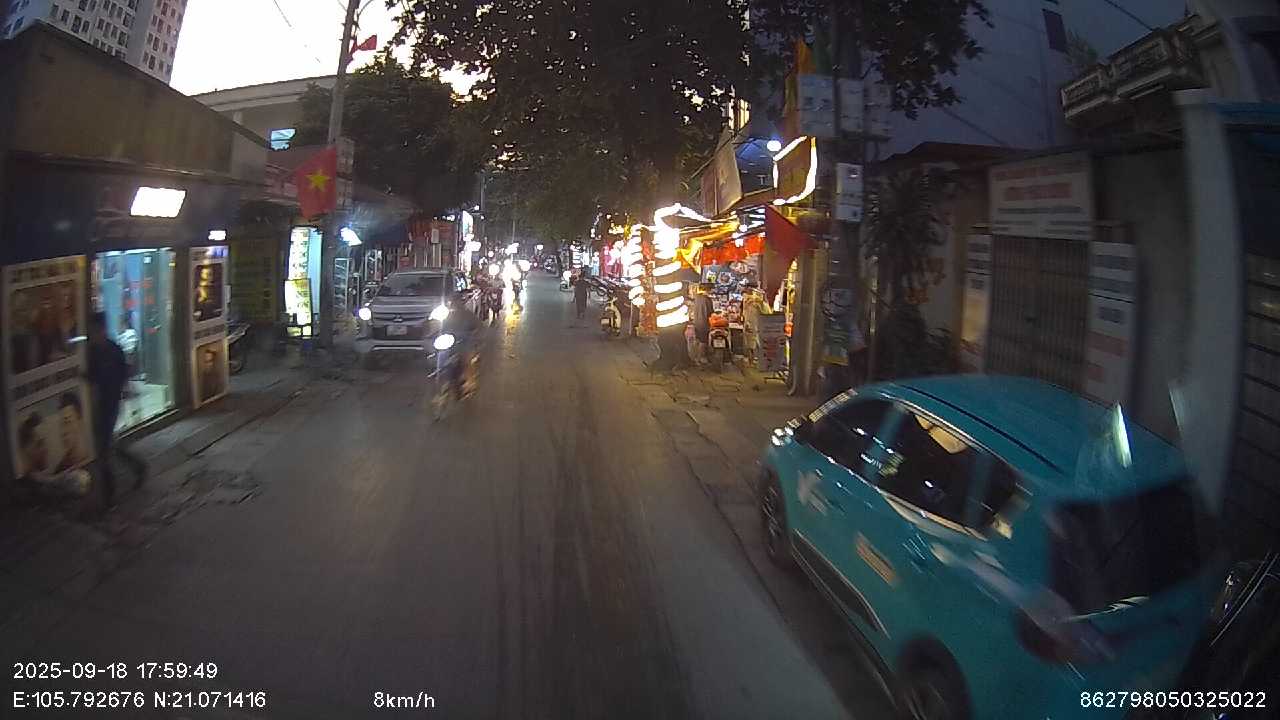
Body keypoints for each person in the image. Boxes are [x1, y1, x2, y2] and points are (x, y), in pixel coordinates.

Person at [86, 311, 147, 508]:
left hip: (110, 403)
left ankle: (109, 494)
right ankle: (137, 467)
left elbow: (123, 375)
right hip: (101, 403)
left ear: (101, 329)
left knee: (103, 449)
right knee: (108, 445)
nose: (94, 334)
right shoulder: (94, 351)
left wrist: (126, 396)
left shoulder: (112, 350)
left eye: (96, 330)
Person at [55, 392, 90, 472]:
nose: (63, 432)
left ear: (80, 421)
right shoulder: (60, 469)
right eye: (61, 425)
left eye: (67, 422)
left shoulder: (94, 450)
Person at [741, 284, 770, 364]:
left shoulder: (758, 301)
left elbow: (766, 312)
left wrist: (762, 301)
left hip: (755, 324)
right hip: (749, 323)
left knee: (753, 342)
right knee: (749, 342)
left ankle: (753, 358)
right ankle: (751, 358)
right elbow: (743, 312)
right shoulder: (746, 300)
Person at [691, 283, 715, 362]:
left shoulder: (697, 298)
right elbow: (711, 313)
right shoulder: (707, 299)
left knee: (698, 339)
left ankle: (695, 357)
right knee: (703, 340)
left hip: (696, 322)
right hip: (704, 322)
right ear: (708, 290)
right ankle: (702, 358)